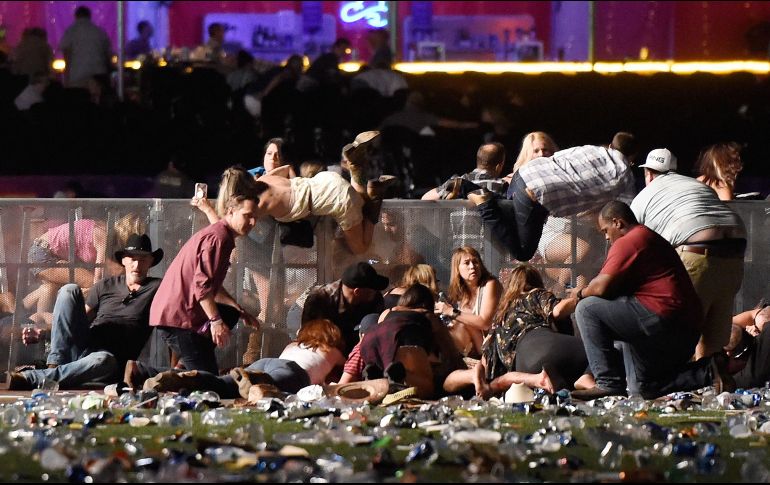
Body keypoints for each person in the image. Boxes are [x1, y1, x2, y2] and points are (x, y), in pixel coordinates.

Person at [569, 201, 733, 401]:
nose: (605, 236)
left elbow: (601, 287)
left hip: (665, 317)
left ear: (618, 222)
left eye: (605, 230)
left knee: (587, 309)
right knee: (644, 389)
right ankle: (708, 370)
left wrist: (579, 293)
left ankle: (607, 382)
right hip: (684, 328)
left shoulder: (631, 239)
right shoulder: (648, 237)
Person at [128, 193, 261, 384]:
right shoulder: (219, 238)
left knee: (230, 313)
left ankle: (184, 364)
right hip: (178, 318)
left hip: (182, 315)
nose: (253, 222)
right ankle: (143, 372)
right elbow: (202, 285)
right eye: (248, 215)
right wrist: (215, 321)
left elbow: (211, 283)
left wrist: (239, 309)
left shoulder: (222, 235)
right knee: (210, 383)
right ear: (231, 212)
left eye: (256, 217)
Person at [631, 148, 746, 359]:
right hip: (736, 250)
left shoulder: (643, 197)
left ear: (648, 173)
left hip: (697, 251)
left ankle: (678, 387)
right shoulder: (697, 185)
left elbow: (629, 247)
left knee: (679, 331)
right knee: (713, 343)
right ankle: (715, 384)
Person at [7, 234, 163, 390]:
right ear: (124, 260)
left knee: (102, 359)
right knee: (69, 290)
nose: (137, 264)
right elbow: (75, 322)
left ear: (151, 262)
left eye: (143, 259)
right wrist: (44, 334)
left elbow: (172, 318)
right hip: (83, 347)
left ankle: (30, 379)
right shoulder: (106, 285)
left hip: (110, 361)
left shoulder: (157, 287)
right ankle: (55, 365)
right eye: (132, 258)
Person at [468, 132, 638, 262]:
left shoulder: (590, 149)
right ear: (632, 158)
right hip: (535, 196)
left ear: (610, 145)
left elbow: (560, 157)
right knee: (523, 253)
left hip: (522, 177)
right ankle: (485, 204)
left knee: (511, 215)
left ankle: (466, 187)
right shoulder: (626, 176)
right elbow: (628, 212)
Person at [443, 264, 588, 398]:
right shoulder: (534, 293)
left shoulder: (498, 319)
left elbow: (486, 363)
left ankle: (576, 382)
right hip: (554, 346)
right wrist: (581, 295)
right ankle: (588, 377)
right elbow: (557, 311)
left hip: (525, 368)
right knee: (599, 354)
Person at [140, 318, 346, 401]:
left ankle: (175, 376)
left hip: (266, 361)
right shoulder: (334, 351)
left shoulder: (294, 345)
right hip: (293, 371)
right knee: (273, 385)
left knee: (222, 384)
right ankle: (255, 380)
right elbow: (347, 375)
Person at [514, 132, 594, 292]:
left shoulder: (565, 173)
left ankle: (564, 310)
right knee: (581, 249)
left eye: (545, 150)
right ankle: (557, 289)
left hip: (575, 232)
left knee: (580, 283)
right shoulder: (521, 177)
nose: (542, 154)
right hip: (550, 235)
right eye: (536, 151)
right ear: (528, 154)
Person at [23, 214, 146, 314]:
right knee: (89, 281)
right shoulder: (103, 236)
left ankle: (21, 310)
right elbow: (98, 276)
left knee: (50, 288)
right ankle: (47, 325)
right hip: (43, 253)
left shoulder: (103, 229)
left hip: (44, 252)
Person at [360, 283, 461, 399]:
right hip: (405, 337)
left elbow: (384, 337)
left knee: (389, 373)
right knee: (429, 386)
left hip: (369, 341)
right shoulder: (428, 315)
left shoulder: (387, 311)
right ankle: (402, 373)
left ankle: (377, 374)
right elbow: (450, 350)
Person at [299, 261, 387, 354]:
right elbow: (308, 335)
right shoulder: (320, 299)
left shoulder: (375, 299)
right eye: (372, 290)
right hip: (325, 354)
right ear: (357, 291)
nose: (376, 292)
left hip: (361, 352)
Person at [434, 246, 501, 359]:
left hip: (494, 345)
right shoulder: (462, 293)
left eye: (475, 262)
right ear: (457, 269)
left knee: (461, 322)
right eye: (467, 263)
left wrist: (451, 311)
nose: (472, 266)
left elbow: (484, 323)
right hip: (476, 347)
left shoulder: (490, 284)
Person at [421, 142, 508, 200]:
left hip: (460, 228)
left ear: (478, 161)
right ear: (498, 166)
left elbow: (425, 198)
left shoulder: (458, 182)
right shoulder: (502, 186)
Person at [60, 6, 112, 88]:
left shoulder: (71, 31)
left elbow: (67, 54)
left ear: (76, 16)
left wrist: (66, 77)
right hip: (98, 74)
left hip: (77, 75)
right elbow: (108, 55)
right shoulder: (99, 31)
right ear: (90, 16)